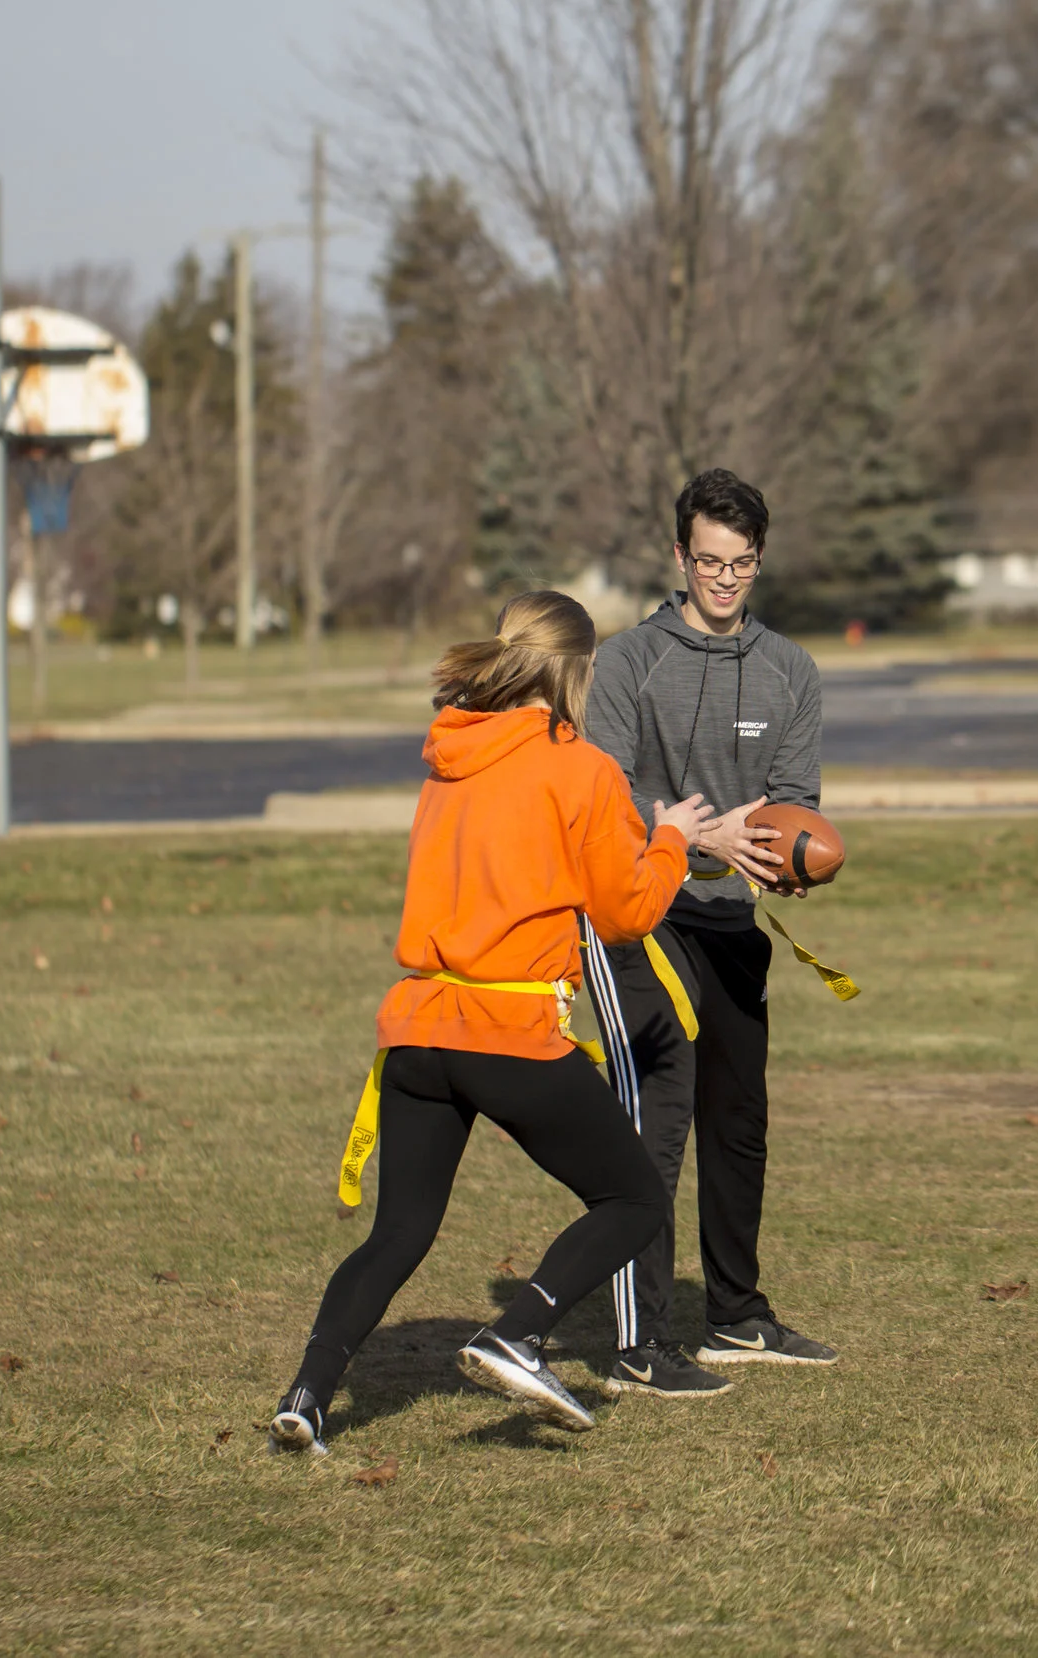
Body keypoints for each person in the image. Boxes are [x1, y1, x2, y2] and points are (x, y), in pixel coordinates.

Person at [268, 591, 707, 1454]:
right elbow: (625, 914)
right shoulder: (580, 766)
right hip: (507, 1030)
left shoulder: (449, 756)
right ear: (578, 671)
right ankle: (517, 1335)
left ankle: (307, 1397)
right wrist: (671, 842)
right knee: (633, 1200)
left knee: (398, 1234)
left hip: (420, 1026)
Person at [581, 468, 836, 1398]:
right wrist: (695, 839)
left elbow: (794, 802)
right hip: (642, 913)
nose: (725, 580)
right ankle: (640, 1340)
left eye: (742, 564)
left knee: (739, 1117)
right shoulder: (626, 662)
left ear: (759, 560)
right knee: (659, 1119)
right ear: (679, 556)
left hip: (730, 918)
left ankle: (735, 1315)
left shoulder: (790, 669)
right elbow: (604, 801)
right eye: (709, 562)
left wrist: (781, 854)